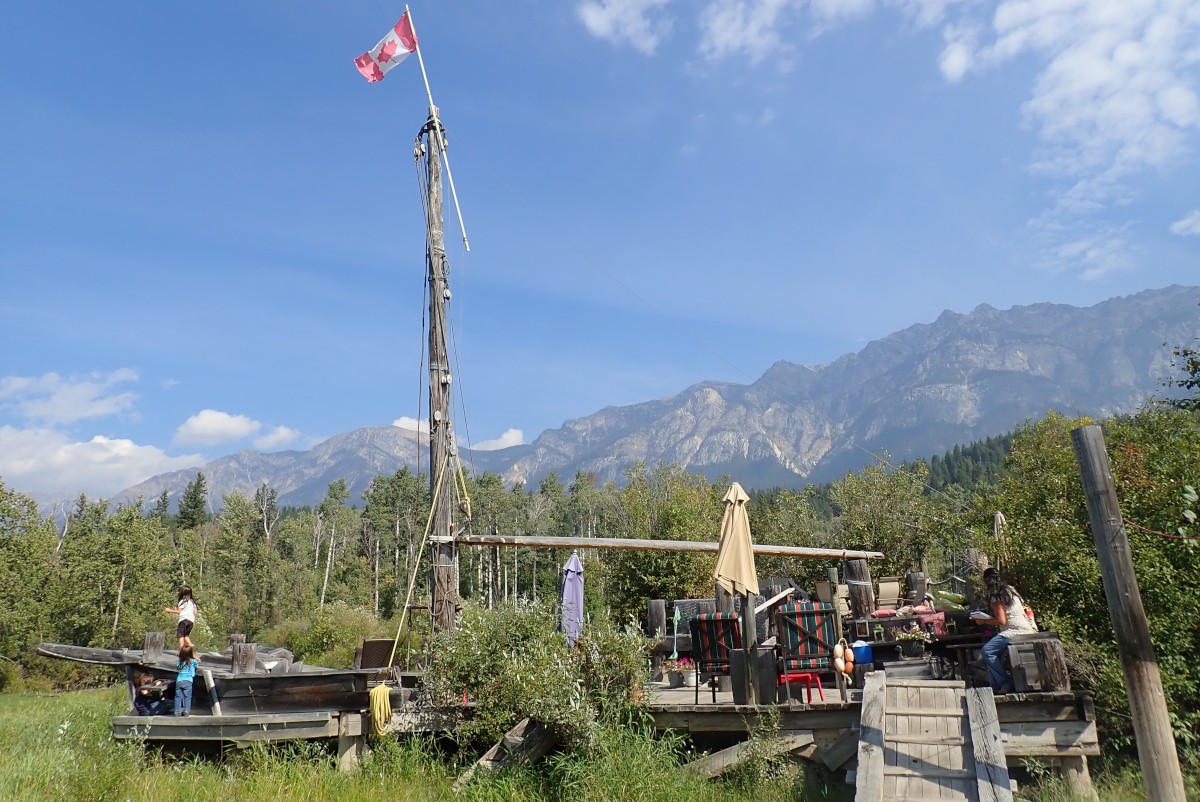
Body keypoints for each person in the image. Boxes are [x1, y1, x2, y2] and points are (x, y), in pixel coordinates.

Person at [974, 567, 1036, 694]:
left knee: (987, 651)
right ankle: (996, 686)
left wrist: (983, 621)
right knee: (995, 652)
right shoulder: (1010, 590)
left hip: (1014, 630)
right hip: (1026, 627)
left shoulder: (996, 595)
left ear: (987, 581)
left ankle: (1005, 684)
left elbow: (1001, 621)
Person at [174, 645, 201, 716]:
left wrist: (180, 656)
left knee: (178, 697)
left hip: (179, 680)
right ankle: (186, 711)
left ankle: (177, 711)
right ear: (190, 653)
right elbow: (199, 661)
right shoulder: (192, 661)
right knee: (187, 697)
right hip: (188, 681)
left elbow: (178, 666)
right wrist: (193, 655)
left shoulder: (178, 662)